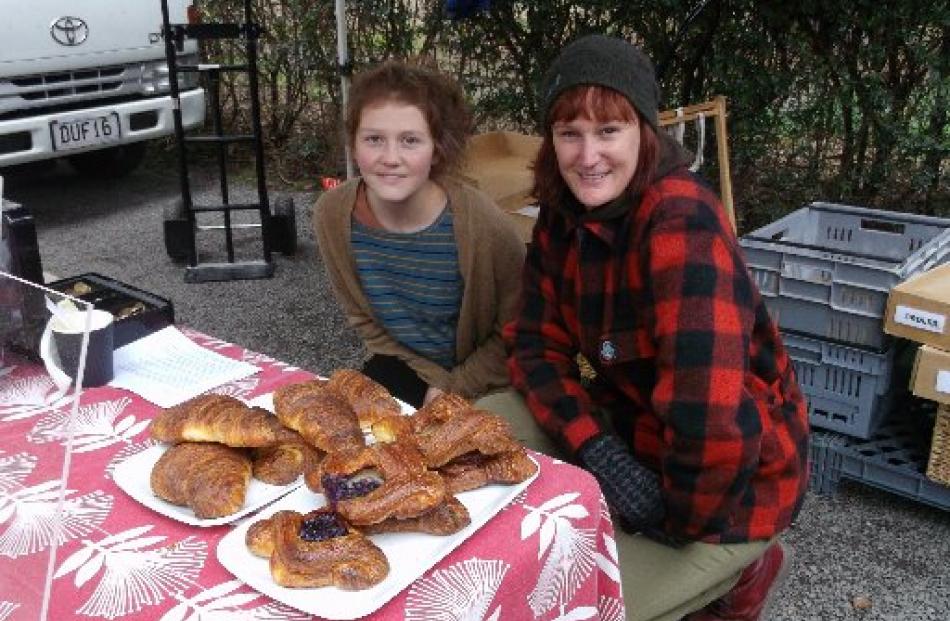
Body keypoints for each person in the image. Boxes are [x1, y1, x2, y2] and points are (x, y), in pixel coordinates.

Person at [494, 35, 810, 620]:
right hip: (633, 425)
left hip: (730, 482)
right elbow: (535, 347)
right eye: (570, 134)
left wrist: (666, 520)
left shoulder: (681, 227)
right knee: (489, 423)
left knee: (588, 605)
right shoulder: (562, 211)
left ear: (644, 131)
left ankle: (741, 574)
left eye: (608, 132)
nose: (588, 156)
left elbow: (711, 421)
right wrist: (597, 449)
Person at [313, 59, 526, 408]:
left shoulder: (487, 229)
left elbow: (516, 335)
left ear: (438, 148)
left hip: (487, 375)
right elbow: (364, 320)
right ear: (353, 144)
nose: (390, 157)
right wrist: (430, 384)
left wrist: (453, 387)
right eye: (374, 139)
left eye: (410, 141)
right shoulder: (332, 216)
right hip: (406, 365)